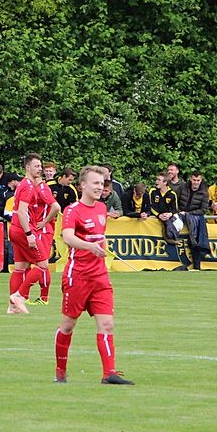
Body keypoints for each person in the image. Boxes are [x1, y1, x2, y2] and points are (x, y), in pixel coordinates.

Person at [53, 165, 134, 385]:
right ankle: (60, 371)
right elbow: (68, 237)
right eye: (95, 183)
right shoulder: (73, 210)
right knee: (68, 326)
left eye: (102, 183)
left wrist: (99, 248)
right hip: (77, 276)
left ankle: (109, 374)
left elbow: (99, 236)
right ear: (83, 185)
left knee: (107, 324)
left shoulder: (101, 208)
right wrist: (89, 247)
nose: (100, 187)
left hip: (100, 276)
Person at [6, 153, 61, 314]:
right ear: (28, 167)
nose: (40, 169)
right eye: (37, 166)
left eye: (40, 166)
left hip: (15, 228)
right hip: (24, 230)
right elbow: (22, 211)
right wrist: (29, 233)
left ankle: (12, 306)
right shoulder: (29, 186)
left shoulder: (23, 184)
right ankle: (19, 296)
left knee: (20, 267)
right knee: (42, 265)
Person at [178, 171, 210, 269]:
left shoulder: (204, 192)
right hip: (180, 214)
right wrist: (179, 212)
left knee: (195, 238)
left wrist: (189, 214)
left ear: (201, 180)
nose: (196, 182)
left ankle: (197, 266)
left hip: (194, 217)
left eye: (198, 180)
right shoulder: (182, 187)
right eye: (194, 180)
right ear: (190, 179)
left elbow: (203, 210)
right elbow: (175, 201)